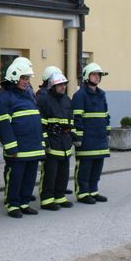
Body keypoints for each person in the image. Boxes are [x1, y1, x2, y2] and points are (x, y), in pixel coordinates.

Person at [0, 57, 44, 218]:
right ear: (14, 77)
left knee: (30, 176)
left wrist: (41, 142)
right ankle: (13, 204)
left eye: (28, 78)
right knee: (15, 177)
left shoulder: (28, 96)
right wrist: (10, 145)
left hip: (32, 146)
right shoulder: (5, 97)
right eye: (23, 78)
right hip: (17, 148)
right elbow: (3, 125)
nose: (26, 82)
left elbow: (36, 120)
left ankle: (24, 203)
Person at [72, 63, 110, 204]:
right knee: (84, 168)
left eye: (99, 75)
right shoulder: (79, 95)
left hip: (100, 137)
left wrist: (107, 132)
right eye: (94, 74)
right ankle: (82, 193)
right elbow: (77, 117)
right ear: (87, 77)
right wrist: (78, 137)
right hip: (86, 139)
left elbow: (106, 115)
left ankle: (93, 191)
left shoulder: (102, 94)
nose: (97, 77)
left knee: (97, 167)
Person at [38, 71, 75, 210]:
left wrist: (72, 134)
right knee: (50, 173)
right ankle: (47, 199)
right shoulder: (44, 100)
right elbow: (41, 123)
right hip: (52, 141)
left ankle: (60, 196)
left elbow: (71, 118)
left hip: (65, 141)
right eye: (60, 85)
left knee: (63, 172)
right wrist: (45, 140)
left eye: (64, 84)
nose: (63, 87)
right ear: (52, 86)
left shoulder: (66, 100)